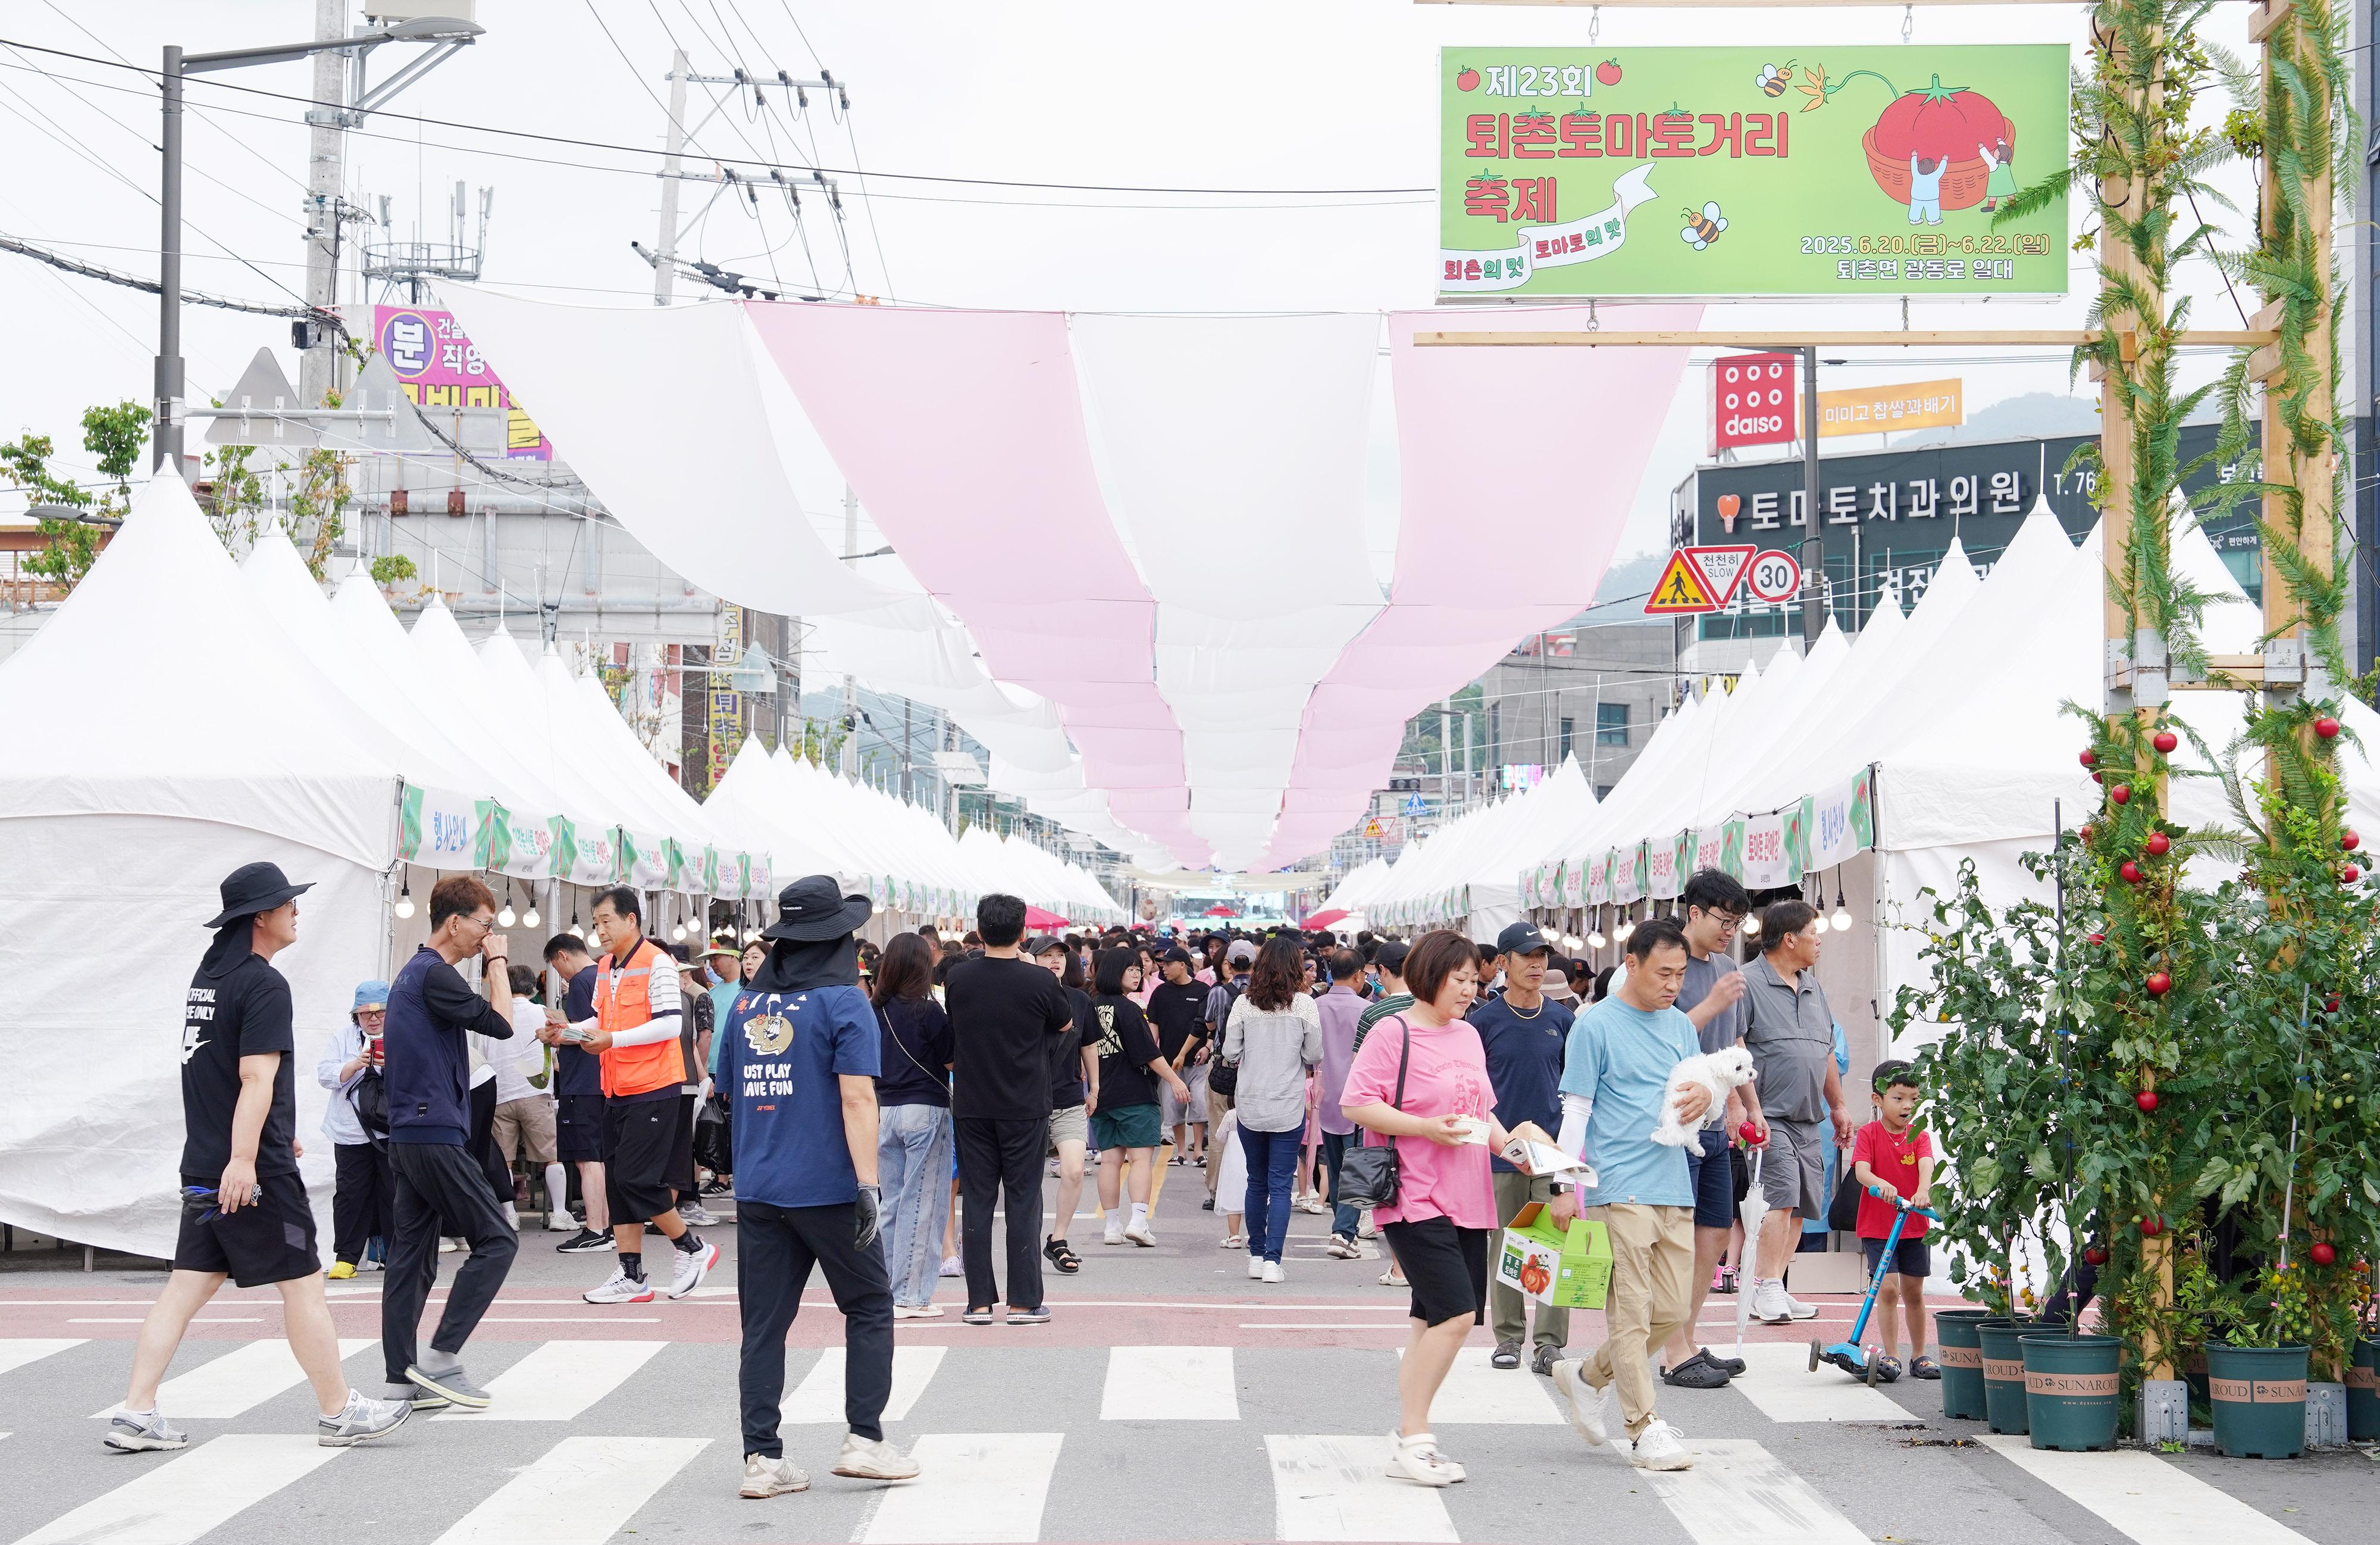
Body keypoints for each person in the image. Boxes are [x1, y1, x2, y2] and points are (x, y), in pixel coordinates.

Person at [106, 863, 411, 1452]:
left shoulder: (208, 976)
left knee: (186, 1286)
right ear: (260, 917)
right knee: (302, 1286)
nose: (296, 911)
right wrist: (248, 1156)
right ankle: (340, 1409)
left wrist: (262, 1134)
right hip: (251, 1172)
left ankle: (137, 1411)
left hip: (204, 1162)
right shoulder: (265, 984)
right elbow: (252, 1074)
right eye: (287, 903)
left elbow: (214, 1072)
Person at [721, 877, 920, 1498]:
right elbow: (858, 1096)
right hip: (830, 1186)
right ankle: (864, 1439)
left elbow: (729, 1088)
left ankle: (762, 1458)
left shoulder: (747, 1005)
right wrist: (870, 1184)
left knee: (763, 1325)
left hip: (759, 1186)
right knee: (866, 1306)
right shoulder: (843, 1001)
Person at [1339, 930, 1549, 1485]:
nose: (1468, 991)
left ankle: (1411, 1433)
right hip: (1412, 1190)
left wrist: (1513, 1150)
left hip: (1468, 1193)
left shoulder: (1467, 1036)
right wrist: (1425, 1128)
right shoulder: (1393, 1031)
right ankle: (1416, 1438)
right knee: (1457, 1315)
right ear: (1429, 975)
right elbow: (1357, 1103)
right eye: (1459, 981)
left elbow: (1481, 1111)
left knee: (1429, 1319)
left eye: (1474, 982)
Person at [1545, 917, 1714, 1472]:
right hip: (1619, 1185)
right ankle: (1644, 1427)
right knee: (1633, 1312)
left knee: (1672, 1311)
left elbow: (1694, 1092)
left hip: (1674, 1183)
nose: (1673, 985)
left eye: (1681, 975)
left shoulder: (1680, 1027)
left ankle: (1587, 1375)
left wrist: (1705, 1099)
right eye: (1663, 972)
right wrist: (1563, 1186)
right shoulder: (1594, 1025)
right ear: (1633, 964)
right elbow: (1576, 1112)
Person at [380, 874, 524, 1411]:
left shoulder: (412, 974)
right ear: (455, 921)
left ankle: (401, 1378)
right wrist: (497, 963)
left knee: (411, 1257)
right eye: (485, 925)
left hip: (410, 1131)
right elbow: (504, 1025)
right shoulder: (436, 975)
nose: (487, 936)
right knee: (498, 1238)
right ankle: (441, 1357)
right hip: (433, 1129)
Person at [560, 887, 719, 1305]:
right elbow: (601, 1019)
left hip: (655, 1087)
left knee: (635, 1179)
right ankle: (632, 1275)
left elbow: (670, 1025)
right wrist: (569, 1032)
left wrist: (611, 1038)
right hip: (617, 1087)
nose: (600, 931)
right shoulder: (606, 966)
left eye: (606, 921)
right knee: (617, 1181)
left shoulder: (658, 963)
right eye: (595, 923)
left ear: (632, 919)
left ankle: (692, 1248)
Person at [943, 893, 1077, 1325]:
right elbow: (1066, 1025)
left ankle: (978, 1303)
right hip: (1025, 1102)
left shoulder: (959, 979)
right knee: (1023, 1199)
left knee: (978, 1200)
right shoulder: (1040, 981)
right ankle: (1023, 1301)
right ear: (1023, 933)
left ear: (979, 932)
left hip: (972, 1101)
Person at [1737, 899, 1855, 1325]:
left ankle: (1776, 1287)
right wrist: (1747, 1108)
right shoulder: (1746, 983)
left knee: (1804, 1205)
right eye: (1813, 934)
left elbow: (1824, 1051)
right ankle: (1764, 1286)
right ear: (1790, 939)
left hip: (1810, 1117)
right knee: (1780, 1198)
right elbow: (1735, 1049)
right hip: (1770, 1114)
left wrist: (1838, 1106)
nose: (1819, 942)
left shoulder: (1813, 987)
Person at [1661, 870, 1756, 1390]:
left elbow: (1736, 1043)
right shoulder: (1669, 965)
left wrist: (1750, 1106)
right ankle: (1672, 1349)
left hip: (1719, 1122)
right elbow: (1659, 1037)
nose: (1730, 931)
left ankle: (1687, 1339)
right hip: (1678, 1121)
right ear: (1693, 912)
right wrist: (1712, 1002)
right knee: (1677, 1235)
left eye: (1738, 922)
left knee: (1716, 1232)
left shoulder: (1726, 967)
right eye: (1723, 920)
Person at [1470, 922, 1576, 1377]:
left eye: (1543, 956)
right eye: (1527, 956)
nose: (1537, 964)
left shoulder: (1562, 1019)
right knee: (1507, 1245)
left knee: (1554, 1241)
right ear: (1503, 964)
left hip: (1552, 1152)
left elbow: (1575, 1090)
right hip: (1502, 1151)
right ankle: (1508, 1337)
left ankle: (1550, 1343)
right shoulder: (1482, 1022)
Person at [1223, 934, 1323, 1283]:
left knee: (1256, 1181)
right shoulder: (1305, 1005)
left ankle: (1254, 1255)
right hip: (1288, 1106)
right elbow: (1313, 1056)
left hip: (1250, 1103)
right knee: (1281, 1186)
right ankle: (1271, 1261)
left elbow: (1230, 1052)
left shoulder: (1243, 1005)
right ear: (1296, 967)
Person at [872, 932, 954, 1319]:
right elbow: (953, 1062)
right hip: (926, 1108)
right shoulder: (929, 1011)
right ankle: (911, 1296)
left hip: (885, 1111)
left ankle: (886, 1290)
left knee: (891, 1205)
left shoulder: (875, 1011)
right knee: (924, 1204)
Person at [1088, 947, 1191, 1247]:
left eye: (1139, 969)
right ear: (1113, 972)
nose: (1137, 974)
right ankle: (1138, 1221)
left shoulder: (1091, 1006)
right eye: (1130, 969)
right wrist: (1173, 1080)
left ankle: (1111, 1226)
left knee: (1109, 1161)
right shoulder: (1129, 1008)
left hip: (1102, 1095)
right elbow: (1148, 1053)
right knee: (1140, 1158)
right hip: (1134, 1094)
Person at [1852, 1060, 1937, 1378]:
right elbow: (1861, 1171)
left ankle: (1920, 1355)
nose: (1907, 1106)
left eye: (1914, 1098)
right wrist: (1880, 1183)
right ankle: (1892, 1356)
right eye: (1899, 1098)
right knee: (1887, 1290)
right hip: (1878, 1226)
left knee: (1914, 1291)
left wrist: (1922, 1190)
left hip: (1913, 1224)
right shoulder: (1869, 1134)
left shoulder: (1919, 1136)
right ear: (1878, 1099)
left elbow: (1926, 1164)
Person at [540, 933, 613, 1253]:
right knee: (597, 1157)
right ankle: (605, 1227)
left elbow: (588, 1030)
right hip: (601, 1080)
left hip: (583, 1082)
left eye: (557, 967)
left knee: (587, 1160)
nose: (560, 973)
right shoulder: (602, 975)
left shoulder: (583, 981)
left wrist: (556, 1033)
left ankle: (595, 1229)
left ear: (562, 956)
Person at [1026, 936, 1095, 1274]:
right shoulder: (1021, 996)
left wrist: (1094, 1088)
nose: (1055, 961)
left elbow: (1089, 1046)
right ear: (1030, 959)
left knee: (1072, 1170)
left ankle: (1058, 1239)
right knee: (1025, 1179)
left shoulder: (1079, 1000)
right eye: (1047, 956)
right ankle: (1025, 1240)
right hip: (1027, 1101)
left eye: (1060, 956)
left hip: (1068, 1099)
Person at [485, 964, 569, 1237]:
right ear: (533, 988)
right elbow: (559, 1048)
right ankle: (558, 1214)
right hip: (536, 1091)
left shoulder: (492, 1015)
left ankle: (509, 1216)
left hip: (500, 1092)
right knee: (551, 1156)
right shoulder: (545, 1013)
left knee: (504, 1160)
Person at [320, 980, 393, 1278]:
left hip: (390, 1130)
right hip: (349, 1131)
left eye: (380, 1012)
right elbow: (325, 1075)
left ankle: (400, 1254)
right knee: (351, 1194)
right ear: (356, 1015)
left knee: (395, 1192)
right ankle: (347, 1257)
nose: (373, 1019)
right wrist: (356, 1064)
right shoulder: (343, 1038)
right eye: (365, 1014)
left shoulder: (403, 1033)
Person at [1313, 947, 1368, 1257]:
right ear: (1359, 975)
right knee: (1355, 1168)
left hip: (1325, 1097)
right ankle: (1343, 1232)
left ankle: (1345, 1229)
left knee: (1334, 1167)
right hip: (1358, 1099)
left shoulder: (1315, 1006)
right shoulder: (1367, 1010)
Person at [1201, 940, 1255, 1208]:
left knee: (1219, 1128)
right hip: (1254, 1067)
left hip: (1223, 1065)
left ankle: (1216, 1191)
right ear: (1255, 965)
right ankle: (1250, 1187)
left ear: (1229, 965)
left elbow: (1209, 1024)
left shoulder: (1219, 992)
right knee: (1252, 1128)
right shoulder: (1261, 993)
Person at [1147, 949, 1211, 1164]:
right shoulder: (1160, 993)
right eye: (1162, 964)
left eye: (1168, 963)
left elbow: (1208, 1024)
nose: (1163, 968)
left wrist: (1208, 1046)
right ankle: (1181, 1151)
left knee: (1200, 1105)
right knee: (1174, 1106)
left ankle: (1199, 1151)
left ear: (1183, 965)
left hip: (1198, 1059)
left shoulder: (1203, 990)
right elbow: (1153, 1027)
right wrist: (1150, 1053)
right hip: (1169, 1062)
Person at [672, 955, 720, 1228]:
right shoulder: (685, 997)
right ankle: (685, 1202)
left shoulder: (694, 997)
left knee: (686, 1143)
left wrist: (701, 1075)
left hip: (684, 1080)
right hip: (684, 1078)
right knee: (684, 1144)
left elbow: (701, 1037)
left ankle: (689, 1202)